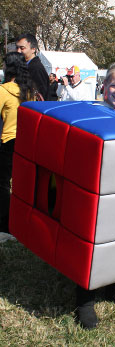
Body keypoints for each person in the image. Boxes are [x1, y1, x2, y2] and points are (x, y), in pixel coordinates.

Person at [75, 63, 115, 329]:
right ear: (104, 87)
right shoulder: (91, 114)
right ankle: (84, 300)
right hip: (94, 190)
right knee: (91, 242)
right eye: (114, 85)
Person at [0, 52, 35, 235]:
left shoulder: (3, 90)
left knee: (3, 184)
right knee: (19, 184)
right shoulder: (29, 90)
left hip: (7, 142)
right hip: (25, 142)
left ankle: (4, 224)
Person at [15, 33, 49, 100]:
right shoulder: (24, 65)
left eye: (22, 48)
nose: (18, 51)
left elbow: (43, 94)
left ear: (33, 49)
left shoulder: (36, 68)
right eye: (17, 48)